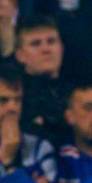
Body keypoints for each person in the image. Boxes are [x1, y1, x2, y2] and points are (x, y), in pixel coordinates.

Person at [14, 15, 69, 143]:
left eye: (51, 41)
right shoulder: (15, 97)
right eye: (35, 44)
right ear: (20, 55)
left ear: (61, 48)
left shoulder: (77, 93)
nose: (46, 49)